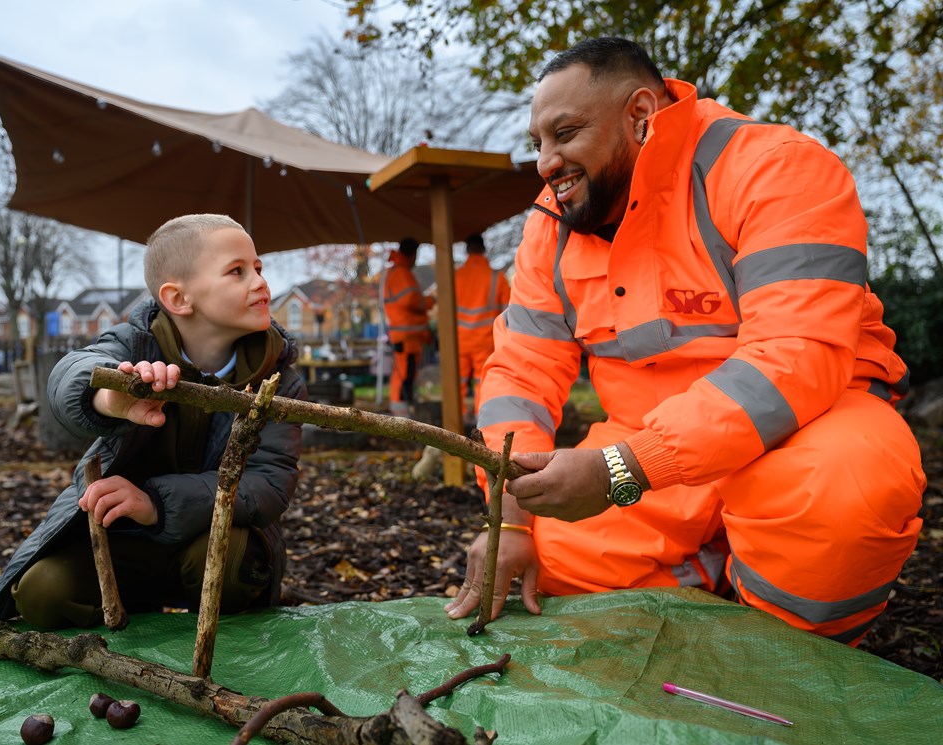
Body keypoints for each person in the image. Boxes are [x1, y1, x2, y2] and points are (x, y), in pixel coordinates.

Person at [444, 37, 925, 646]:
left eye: (564, 135)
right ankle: (719, 585)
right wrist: (509, 520)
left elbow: (795, 358)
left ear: (640, 116)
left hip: (808, 427)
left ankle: (795, 664)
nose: (545, 163)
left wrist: (621, 468)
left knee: (841, 489)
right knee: (552, 550)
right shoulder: (552, 225)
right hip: (652, 449)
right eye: (537, 143)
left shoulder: (775, 167)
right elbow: (520, 372)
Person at [0, 214, 306, 629]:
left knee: (229, 569)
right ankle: (130, 621)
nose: (259, 282)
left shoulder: (277, 380)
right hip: (124, 536)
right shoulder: (135, 343)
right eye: (236, 272)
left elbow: (270, 484)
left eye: (257, 268)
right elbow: (70, 373)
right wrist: (111, 397)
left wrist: (155, 503)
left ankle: (218, 638)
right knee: (43, 592)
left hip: (211, 538)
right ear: (179, 300)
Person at [454, 232, 511, 421]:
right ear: (484, 250)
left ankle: (457, 416)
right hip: (486, 340)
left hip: (459, 340)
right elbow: (508, 312)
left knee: (458, 380)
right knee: (483, 380)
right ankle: (482, 418)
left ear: (467, 250)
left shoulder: (455, 277)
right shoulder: (497, 278)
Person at [383, 237, 435, 417]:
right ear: (412, 255)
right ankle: (400, 413)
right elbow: (410, 300)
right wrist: (428, 301)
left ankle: (402, 409)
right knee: (404, 373)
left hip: (407, 336)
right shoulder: (401, 273)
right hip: (407, 336)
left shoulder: (398, 272)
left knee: (406, 373)